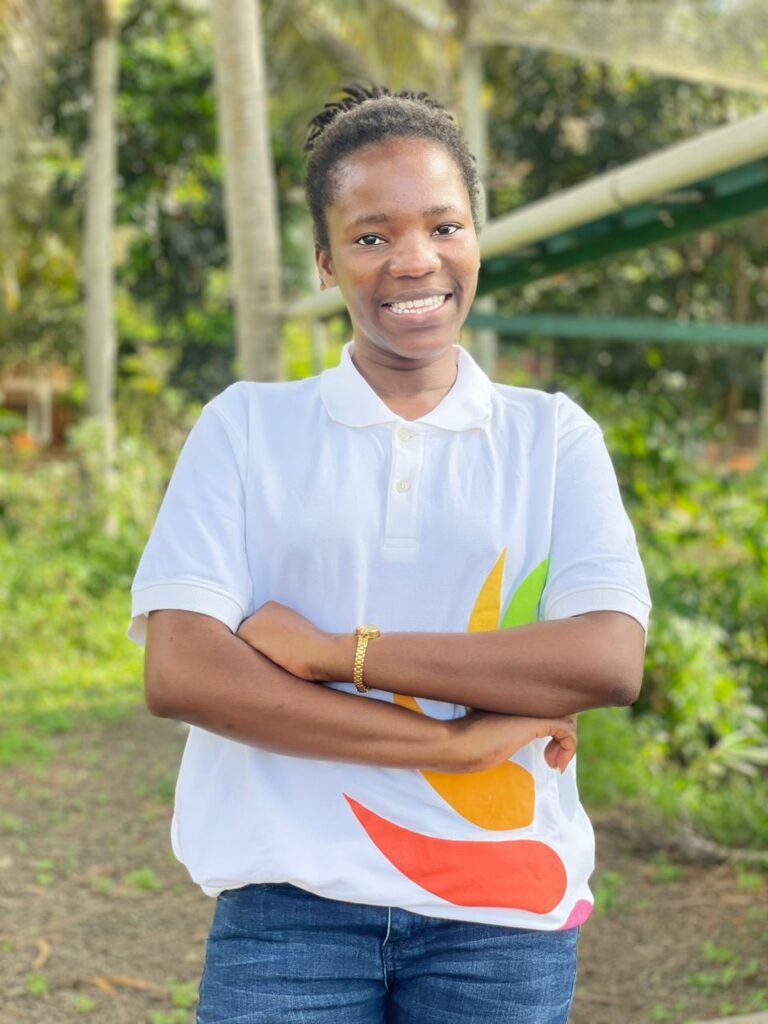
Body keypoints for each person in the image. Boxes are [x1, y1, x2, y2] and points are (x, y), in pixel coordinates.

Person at [130, 84, 651, 1024]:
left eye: (445, 225)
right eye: (372, 237)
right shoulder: (248, 428)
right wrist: (450, 743)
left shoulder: (552, 437)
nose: (416, 260)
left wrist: (336, 653)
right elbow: (184, 672)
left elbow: (605, 658)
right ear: (327, 262)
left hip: (503, 912)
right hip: (291, 910)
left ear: (475, 238)